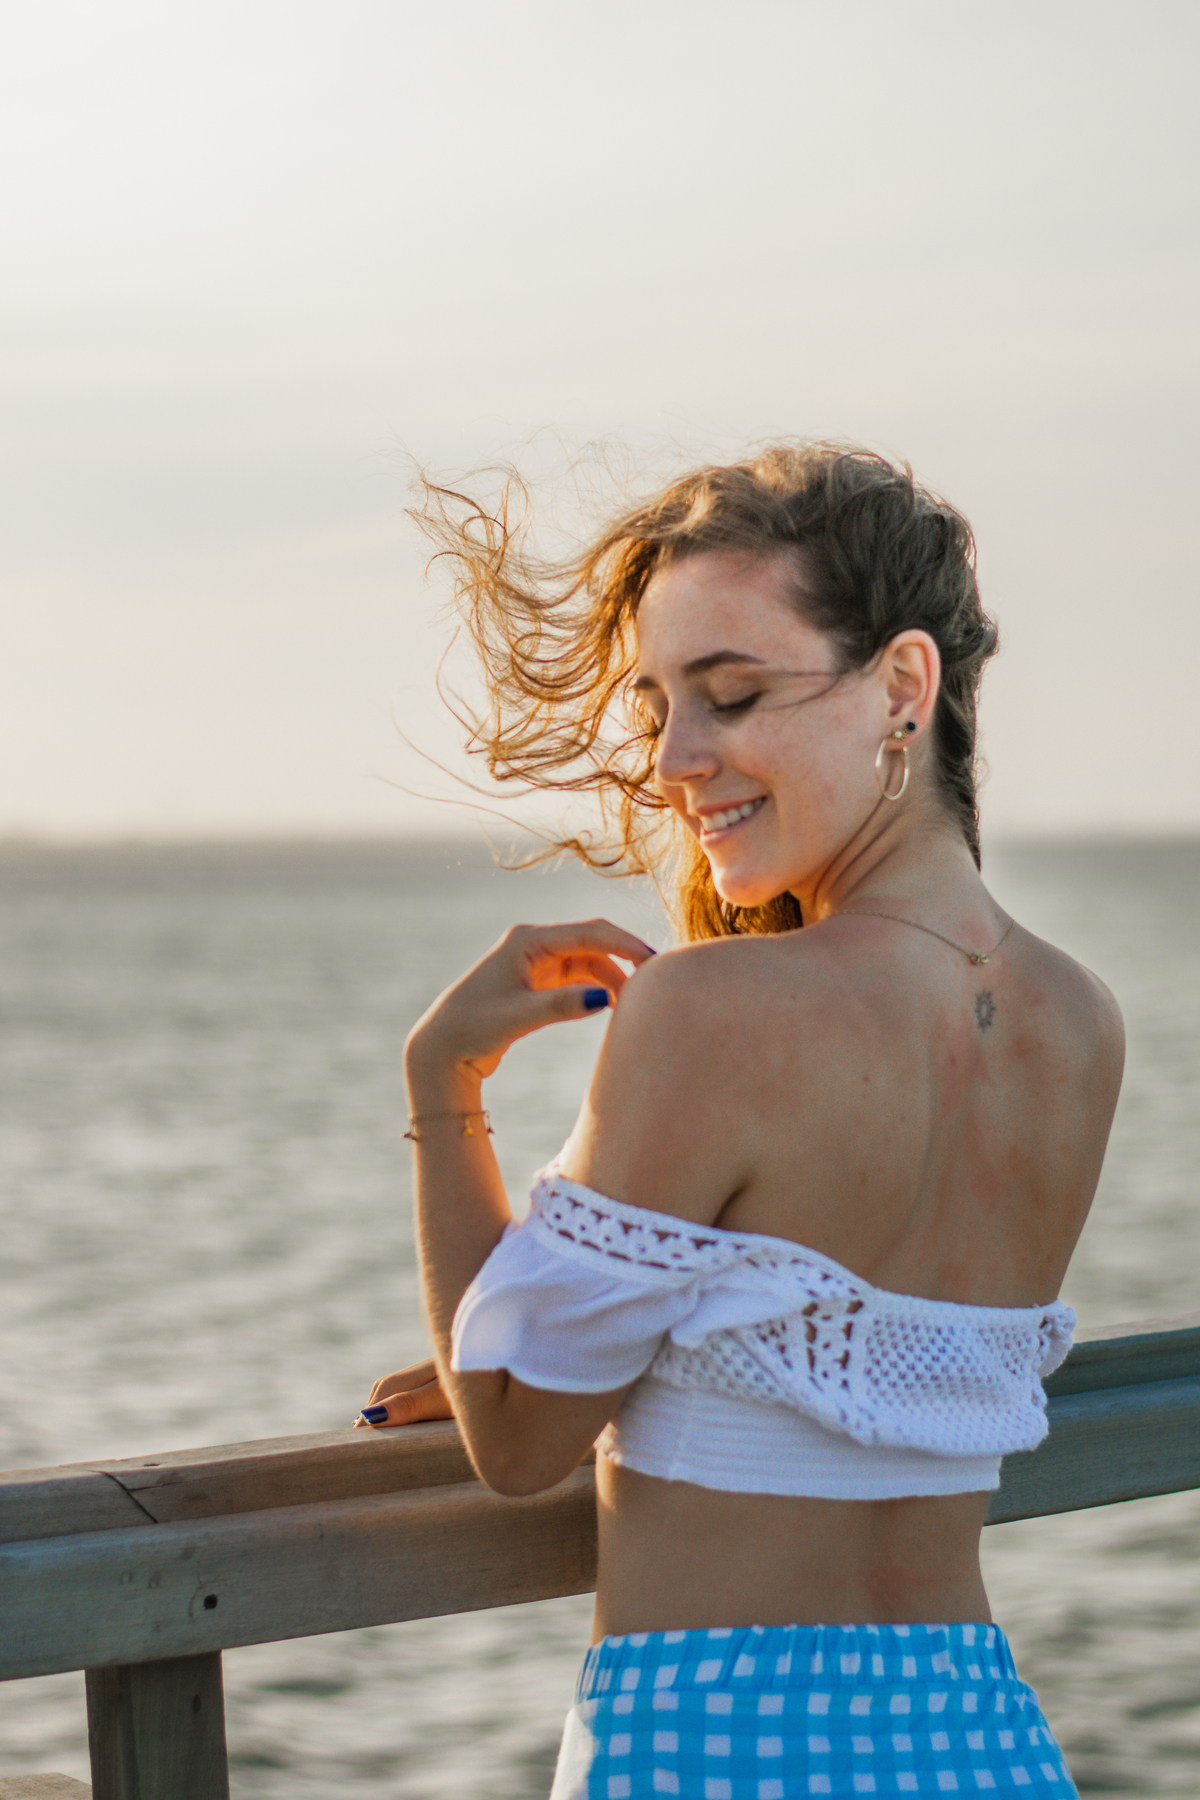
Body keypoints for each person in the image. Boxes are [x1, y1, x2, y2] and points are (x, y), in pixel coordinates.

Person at [358, 443, 1124, 1797]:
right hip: (980, 1744)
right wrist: (591, 1341)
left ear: (902, 687)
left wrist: (441, 1083)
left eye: (730, 696)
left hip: (717, 1743)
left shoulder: (714, 1012)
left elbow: (515, 1440)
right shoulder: (1078, 1022)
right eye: (660, 706)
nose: (674, 761)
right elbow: (841, 1362)